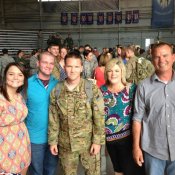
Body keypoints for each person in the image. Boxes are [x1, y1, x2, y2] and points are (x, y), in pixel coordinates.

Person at [48, 51, 105, 175]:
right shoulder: (57, 90)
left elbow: (99, 117)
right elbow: (54, 118)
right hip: (66, 145)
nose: (72, 70)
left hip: (88, 144)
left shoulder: (91, 88)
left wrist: (97, 141)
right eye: (69, 66)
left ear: (81, 68)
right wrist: (52, 141)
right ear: (64, 68)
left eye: (76, 66)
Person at [132, 42, 175, 175]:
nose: (161, 60)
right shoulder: (144, 87)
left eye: (165, 55)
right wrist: (136, 147)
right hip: (153, 151)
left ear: (173, 57)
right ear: (152, 60)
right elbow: (137, 119)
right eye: (157, 57)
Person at [100, 59, 144, 175]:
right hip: (109, 141)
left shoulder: (131, 89)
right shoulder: (100, 91)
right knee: (117, 170)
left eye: (116, 71)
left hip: (128, 140)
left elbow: (139, 115)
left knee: (131, 170)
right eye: (110, 71)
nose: (113, 74)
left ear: (122, 72)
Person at [25, 51, 58, 175]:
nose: (48, 66)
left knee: (50, 171)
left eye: (51, 63)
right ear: (38, 63)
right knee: (36, 172)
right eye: (45, 62)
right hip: (34, 139)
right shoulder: (27, 84)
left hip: (53, 138)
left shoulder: (58, 84)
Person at [0, 62, 31, 175]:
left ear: (24, 79)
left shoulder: (19, 96)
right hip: (4, 153)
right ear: (5, 76)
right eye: (11, 74)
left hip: (22, 149)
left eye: (20, 74)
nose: (15, 78)